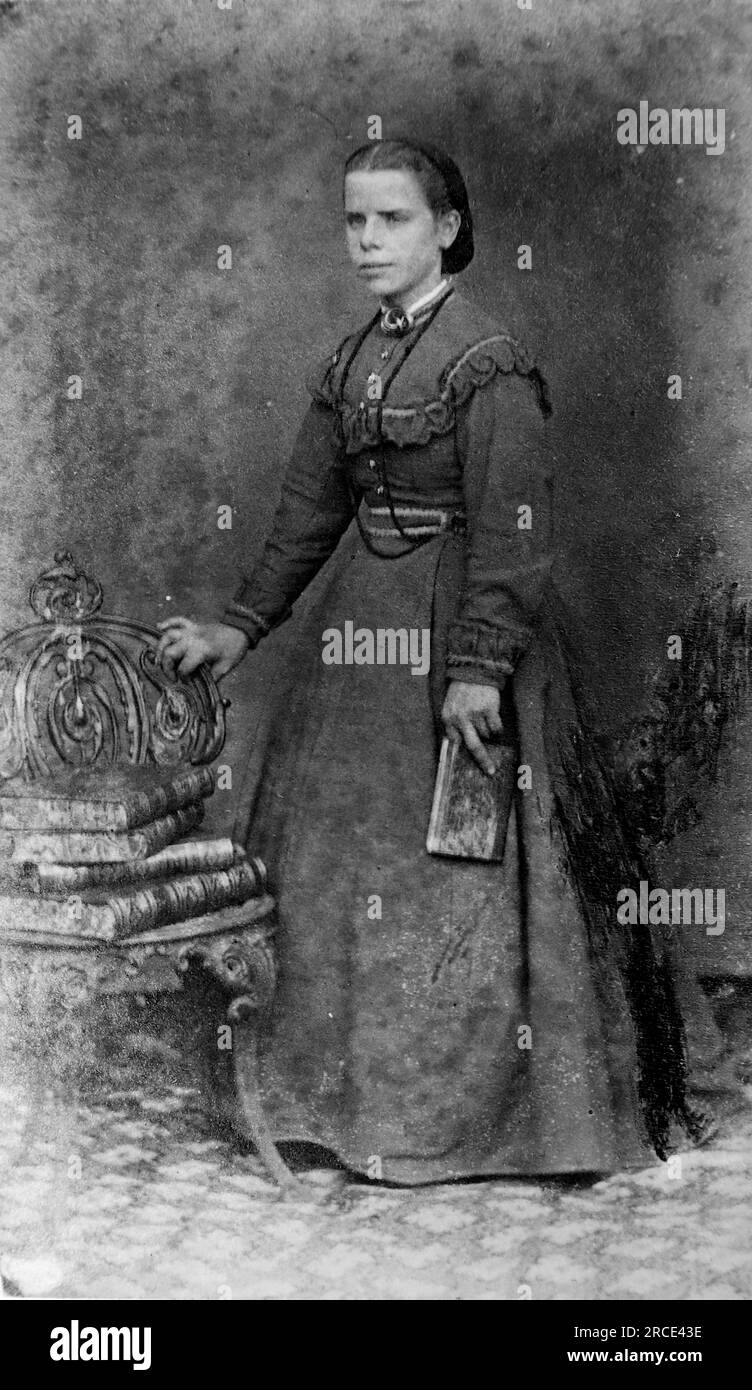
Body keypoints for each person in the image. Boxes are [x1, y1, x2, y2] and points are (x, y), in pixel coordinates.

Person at [157, 138, 702, 1183]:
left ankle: (478, 1121)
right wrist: (239, 625)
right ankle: (330, 1102)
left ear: (446, 227)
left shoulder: (486, 361)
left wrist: (476, 667)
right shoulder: (350, 360)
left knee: (464, 867)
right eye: (354, 220)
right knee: (340, 853)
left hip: (465, 635)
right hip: (360, 638)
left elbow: (515, 528)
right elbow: (306, 516)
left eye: (391, 220)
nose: (367, 240)